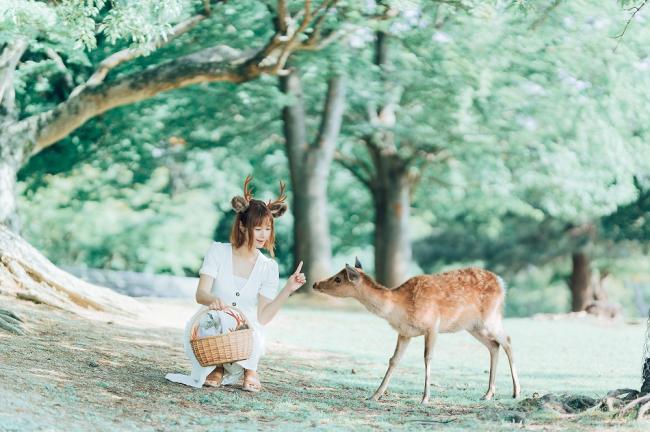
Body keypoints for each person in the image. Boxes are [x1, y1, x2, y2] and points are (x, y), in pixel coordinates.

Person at [165, 176, 306, 392]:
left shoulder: (269, 267)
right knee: (219, 319)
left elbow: (263, 317)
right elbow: (201, 294)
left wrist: (288, 289)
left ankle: (250, 370)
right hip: (212, 321)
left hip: (246, 330)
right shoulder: (218, 251)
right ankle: (219, 365)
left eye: (267, 229)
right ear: (242, 226)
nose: (263, 235)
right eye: (257, 228)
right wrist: (216, 301)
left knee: (253, 330)